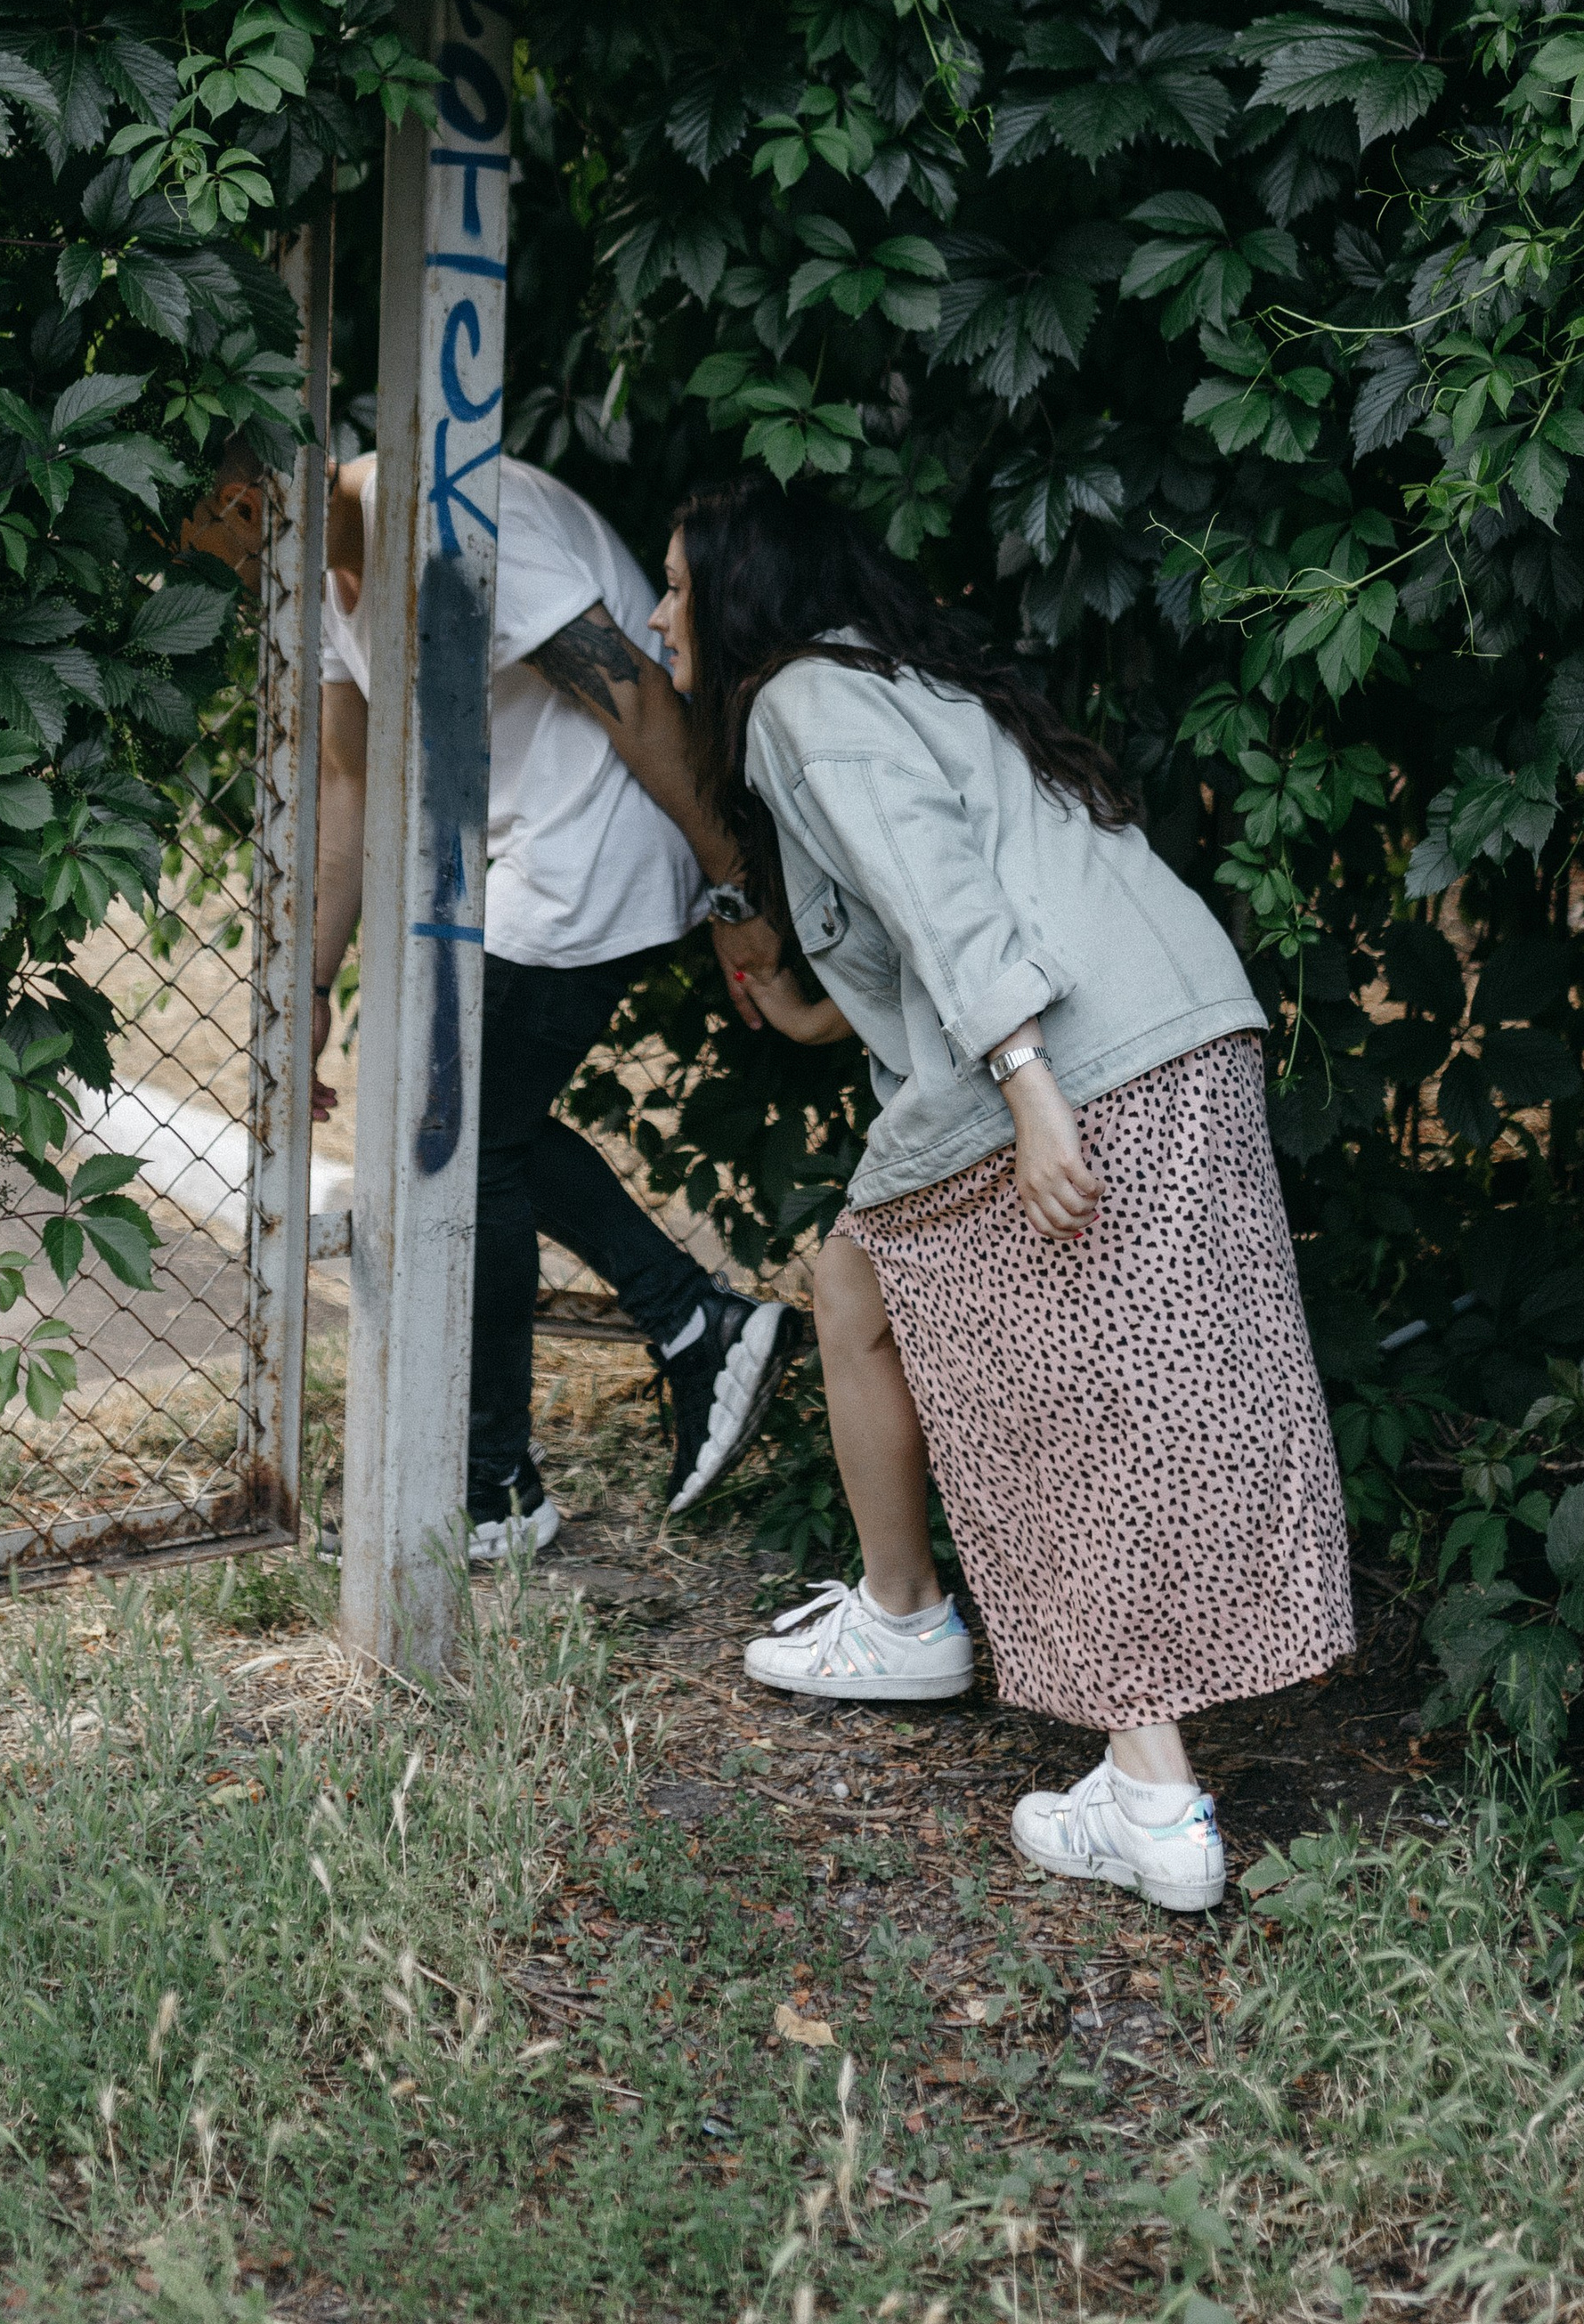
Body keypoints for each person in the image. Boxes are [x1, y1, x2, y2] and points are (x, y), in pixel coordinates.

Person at [649, 480, 1354, 1914]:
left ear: (738, 599)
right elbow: (931, 920)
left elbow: (940, 890)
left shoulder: (794, 700)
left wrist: (1030, 1083)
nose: (655, 613)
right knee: (865, 1283)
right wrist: (807, 1007)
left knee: (1057, 1396)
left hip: (1081, 1059)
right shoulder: (892, 678)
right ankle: (908, 1611)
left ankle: (1151, 1791)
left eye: (673, 587)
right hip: (1172, 1022)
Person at [184, 439, 797, 1559]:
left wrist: (735, 888)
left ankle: (500, 1484)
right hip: (528, 861)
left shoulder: (450, 510)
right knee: (474, 1128)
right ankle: (683, 1328)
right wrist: (311, 983)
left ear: (240, 505)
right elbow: (346, 778)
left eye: (212, 550)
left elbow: (641, 703)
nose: (227, 579)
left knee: (465, 1138)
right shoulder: (320, 568)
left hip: (604, 843)